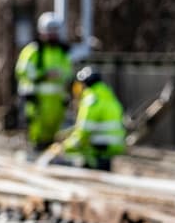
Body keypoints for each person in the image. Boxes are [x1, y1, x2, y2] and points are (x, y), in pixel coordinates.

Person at [15, 12, 73, 151]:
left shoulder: (62, 52)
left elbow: (68, 72)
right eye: (49, 32)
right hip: (38, 99)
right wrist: (43, 75)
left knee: (54, 127)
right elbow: (21, 70)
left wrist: (61, 76)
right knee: (37, 128)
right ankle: (36, 148)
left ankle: (49, 151)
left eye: (55, 32)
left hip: (56, 100)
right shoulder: (33, 51)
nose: (52, 35)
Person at [61, 67, 126, 171]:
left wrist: (65, 146)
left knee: (74, 155)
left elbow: (83, 133)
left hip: (98, 146)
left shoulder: (91, 100)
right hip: (113, 145)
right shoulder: (108, 96)